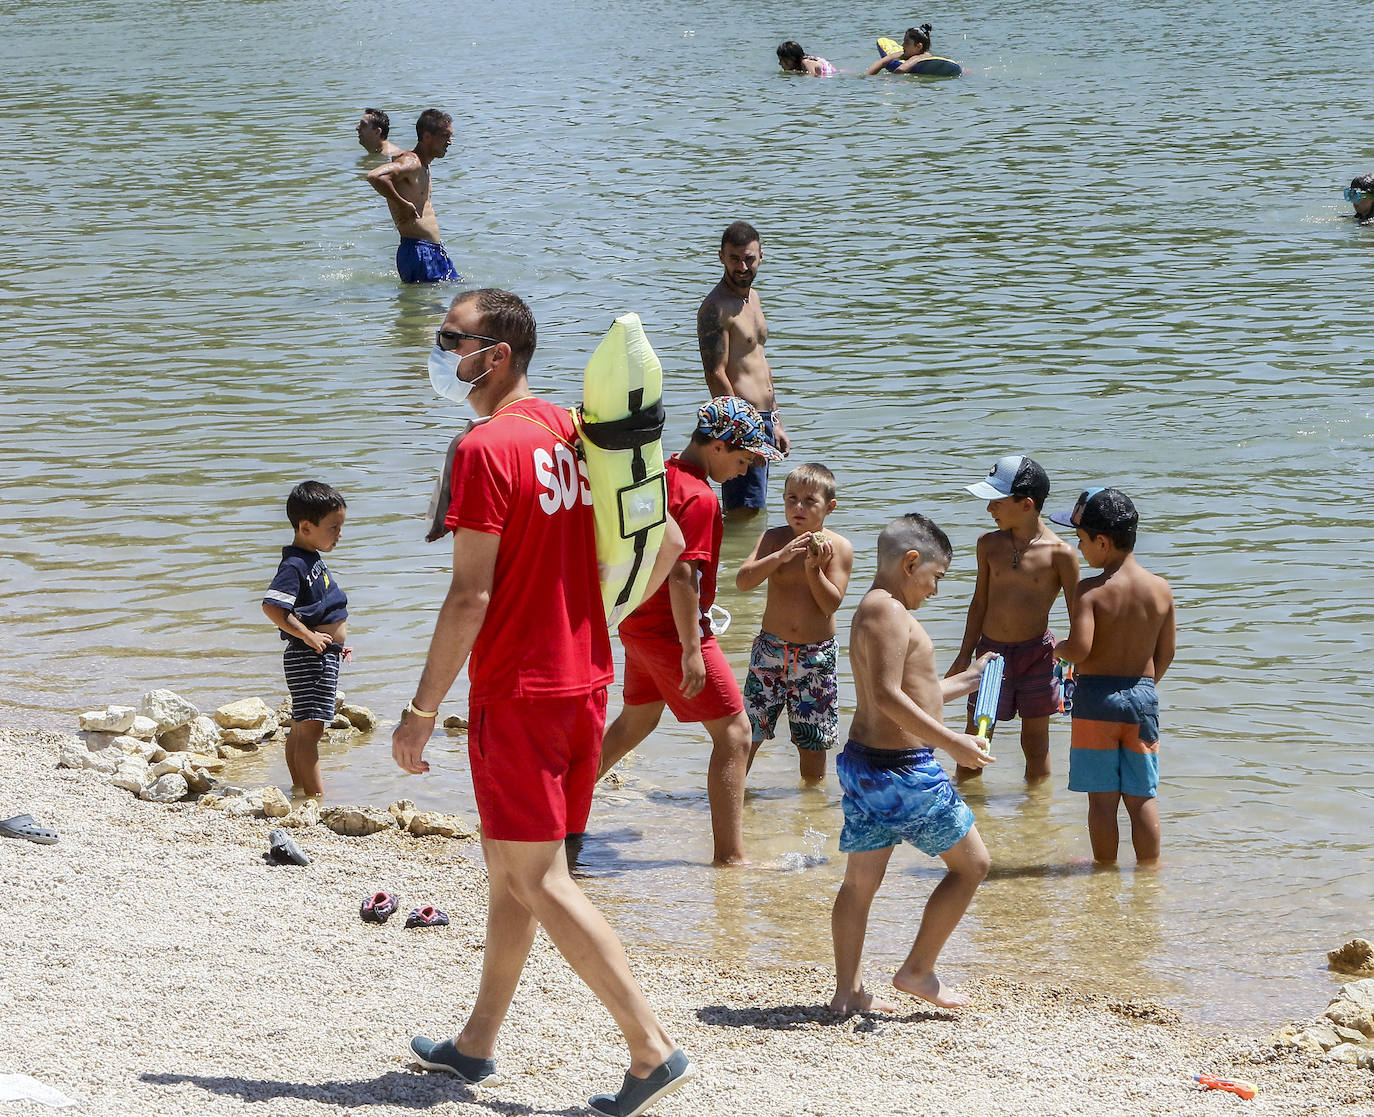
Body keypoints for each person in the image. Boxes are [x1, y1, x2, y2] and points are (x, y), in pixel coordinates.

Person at [391, 289, 695, 1117]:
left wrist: (421, 710)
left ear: (495, 354)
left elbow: (468, 597)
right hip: (583, 683)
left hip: (519, 691)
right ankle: (477, 1042)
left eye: (451, 337)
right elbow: (664, 539)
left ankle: (650, 1046)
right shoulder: (578, 428)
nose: (441, 348)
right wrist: (591, 614)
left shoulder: (486, 448)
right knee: (511, 870)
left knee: (537, 874)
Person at [598, 397, 784, 865]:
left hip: (637, 622)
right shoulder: (700, 497)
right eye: (744, 460)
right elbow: (684, 575)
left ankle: (562, 811)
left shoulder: (660, 473)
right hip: (672, 631)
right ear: (719, 447)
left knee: (636, 722)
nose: (744, 472)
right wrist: (691, 650)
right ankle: (731, 858)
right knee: (736, 734)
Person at [830, 513, 995, 1014]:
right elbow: (885, 697)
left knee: (860, 882)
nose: (936, 591)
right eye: (936, 578)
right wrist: (954, 745)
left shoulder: (879, 609)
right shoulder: (888, 612)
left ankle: (848, 993)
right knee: (973, 866)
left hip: (868, 767)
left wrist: (967, 680)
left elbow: (912, 695)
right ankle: (918, 970)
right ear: (910, 562)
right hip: (901, 771)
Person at [1049, 488, 1175, 865]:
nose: (1080, 548)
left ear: (1102, 542)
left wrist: (1057, 648)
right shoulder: (1160, 590)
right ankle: (1149, 875)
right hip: (1142, 700)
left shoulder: (1089, 592)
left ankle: (1104, 872)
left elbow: (1081, 649)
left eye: (1082, 540)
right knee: (1141, 798)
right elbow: (1165, 653)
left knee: (1102, 801)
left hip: (1096, 704)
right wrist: (1143, 687)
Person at [947, 455, 1079, 781]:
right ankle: (968, 809)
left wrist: (1074, 659)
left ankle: (1035, 819)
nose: (989, 509)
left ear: (1026, 504)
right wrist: (964, 655)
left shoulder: (1061, 554)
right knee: (976, 738)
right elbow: (979, 603)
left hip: (1038, 656)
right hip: (991, 656)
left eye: (996, 501)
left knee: (1035, 743)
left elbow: (1080, 616)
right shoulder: (988, 545)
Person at [735, 463, 854, 782]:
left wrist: (814, 569)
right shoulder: (774, 539)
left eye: (809, 501)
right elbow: (743, 582)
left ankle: (809, 811)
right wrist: (781, 556)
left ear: (830, 507)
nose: (798, 507)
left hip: (815, 657)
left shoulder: (839, 547)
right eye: (791, 499)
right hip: (770, 650)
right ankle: (731, 798)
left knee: (813, 742)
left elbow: (830, 604)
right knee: (749, 733)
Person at [261, 481, 349, 798]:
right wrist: (310, 636)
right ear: (306, 526)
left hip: (314, 655)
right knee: (310, 731)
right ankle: (315, 798)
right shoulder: (296, 563)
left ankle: (299, 791)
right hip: (311, 658)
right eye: (333, 527)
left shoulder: (310, 559)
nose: (339, 534)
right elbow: (273, 606)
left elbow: (313, 609)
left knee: (300, 727)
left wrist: (336, 642)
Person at [696, 222, 790, 521]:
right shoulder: (716, 308)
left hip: (762, 421)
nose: (742, 266)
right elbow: (715, 374)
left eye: (749, 258)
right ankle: (734, 565)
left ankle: (739, 563)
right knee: (743, 514)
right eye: (735, 258)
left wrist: (774, 420)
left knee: (756, 510)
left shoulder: (753, 299)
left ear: (761, 255)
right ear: (721, 256)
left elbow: (759, 360)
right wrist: (744, 434)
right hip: (740, 423)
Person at [366, 109, 460, 284]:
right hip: (418, 251)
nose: (450, 142)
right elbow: (374, 176)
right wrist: (402, 204)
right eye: (445, 136)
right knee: (428, 309)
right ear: (427, 137)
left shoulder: (424, 164)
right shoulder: (411, 162)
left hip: (433, 250)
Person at [866, 24, 935, 74]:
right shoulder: (903, 54)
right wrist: (867, 76)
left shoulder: (923, 56)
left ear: (918, 46)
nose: (902, 45)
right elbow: (882, 62)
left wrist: (886, 80)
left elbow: (901, 70)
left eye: (906, 43)